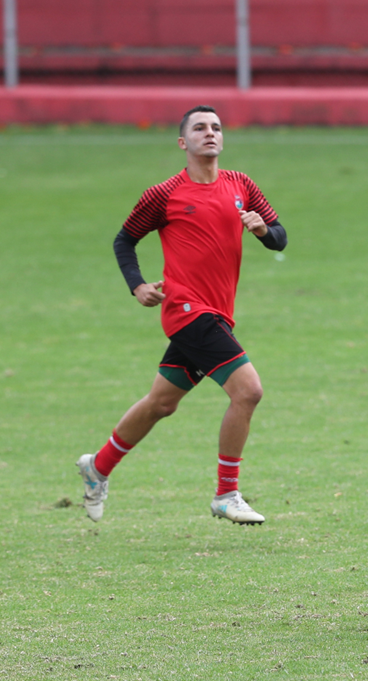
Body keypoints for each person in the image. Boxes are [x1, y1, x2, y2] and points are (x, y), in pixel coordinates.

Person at [76, 105, 287, 525]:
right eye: (199, 128)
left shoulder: (241, 184)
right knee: (248, 391)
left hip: (218, 313)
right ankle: (226, 493)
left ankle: (97, 466)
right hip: (187, 310)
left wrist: (262, 230)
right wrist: (137, 285)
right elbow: (125, 241)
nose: (210, 133)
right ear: (182, 142)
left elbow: (279, 238)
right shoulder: (164, 194)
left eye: (216, 127)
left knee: (161, 403)